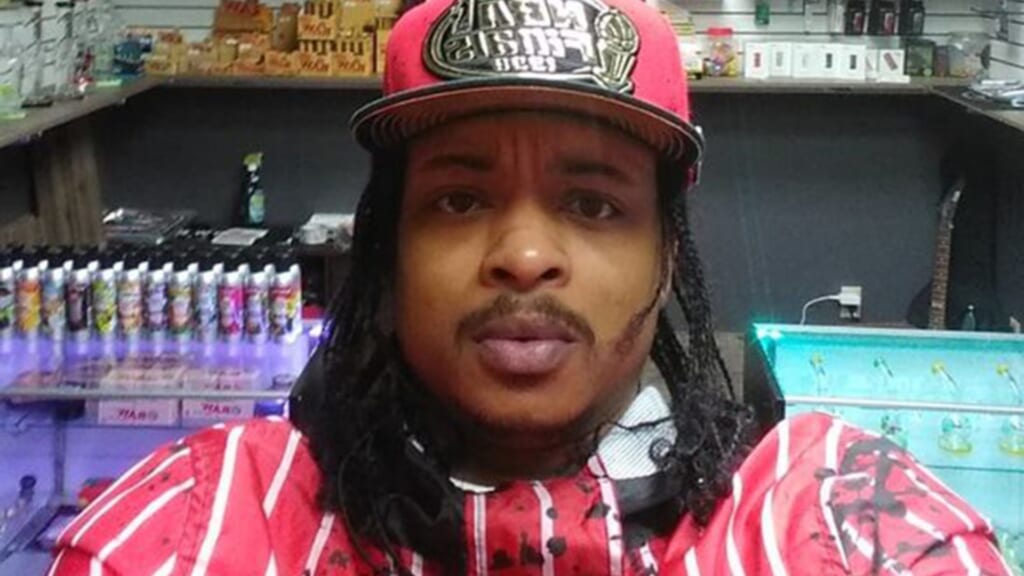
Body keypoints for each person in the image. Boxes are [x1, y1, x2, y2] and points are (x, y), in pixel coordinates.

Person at [50, 0, 1010, 573]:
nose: (522, 255)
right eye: (459, 199)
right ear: (389, 246)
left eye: (593, 205)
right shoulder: (198, 529)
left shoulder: (844, 525)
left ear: (667, 254)